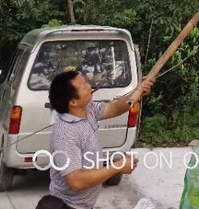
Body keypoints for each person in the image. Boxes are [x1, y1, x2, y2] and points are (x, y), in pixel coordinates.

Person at [36, 68, 156, 209]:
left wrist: (138, 92)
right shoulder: (65, 134)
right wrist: (117, 167)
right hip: (66, 206)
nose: (89, 86)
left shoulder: (89, 109)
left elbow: (115, 108)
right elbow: (76, 182)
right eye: (84, 85)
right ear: (73, 102)